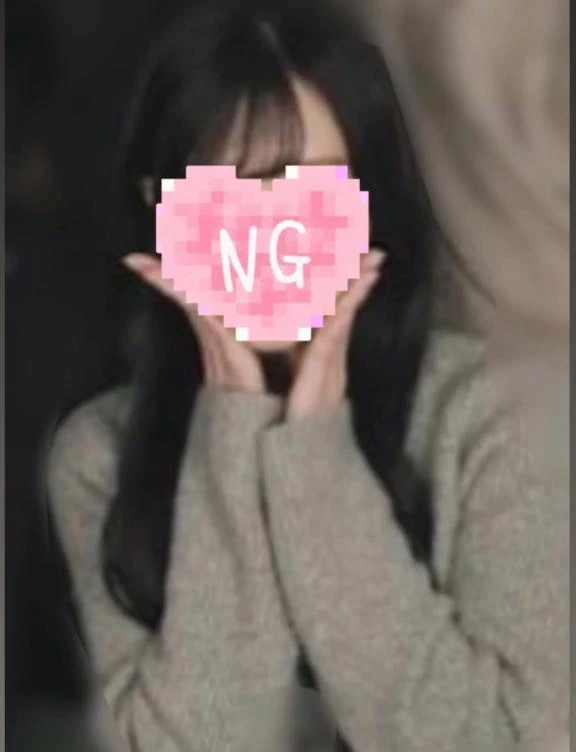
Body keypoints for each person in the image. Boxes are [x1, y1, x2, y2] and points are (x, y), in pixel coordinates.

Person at [46, 1, 568, 750]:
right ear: (159, 206)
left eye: (308, 192)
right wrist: (233, 417)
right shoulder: (99, 455)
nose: (271, 236)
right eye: (228, 194)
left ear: (369, 206)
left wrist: (315, 447)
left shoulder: (495, 421)